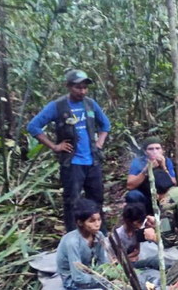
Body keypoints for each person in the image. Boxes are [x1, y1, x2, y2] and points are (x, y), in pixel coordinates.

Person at [27, 69, 110, 232]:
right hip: (72, 163)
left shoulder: (90, 104)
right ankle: (74, 236)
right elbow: (33, 126)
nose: (82, 91)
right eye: (78, 87)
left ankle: (101, 235)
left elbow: (105, 124)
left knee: (97, 199)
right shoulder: (57, 106)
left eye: (85, 87)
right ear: (68, 86)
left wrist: (99, 143)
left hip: (92, 161)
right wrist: (54, 146)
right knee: (72, 201)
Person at [56, 198, 108, 289]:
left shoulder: (99, 235)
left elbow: (103, 262)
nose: (97, 224)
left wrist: (107, 273)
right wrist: (102, 280)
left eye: (99, 219)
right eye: (92, 221)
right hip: (72, 279)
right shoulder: (73, 242)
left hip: (91, 272)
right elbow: (78, 277)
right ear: (80, 222)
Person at [125, 136, 176, 214]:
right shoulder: (138, 162)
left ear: (162, 150)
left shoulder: (167, 161)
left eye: (157, 148)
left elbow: (174, 183)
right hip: (145, 194)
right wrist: (146, 170)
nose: (155, 151)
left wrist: (164, 167)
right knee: (133, 195)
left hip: (163, 195)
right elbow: (130, 185)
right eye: (151, 149)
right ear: (145, 152)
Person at [114, 203, 158, 269]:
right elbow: (116, 259)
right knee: (150, 262)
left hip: (133, 260)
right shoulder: (118, 235)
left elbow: (137, 251)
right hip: (123, 266)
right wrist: (128, 258)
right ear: (128, 221)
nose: (140, 226)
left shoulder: (137, 231)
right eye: (138, 222)